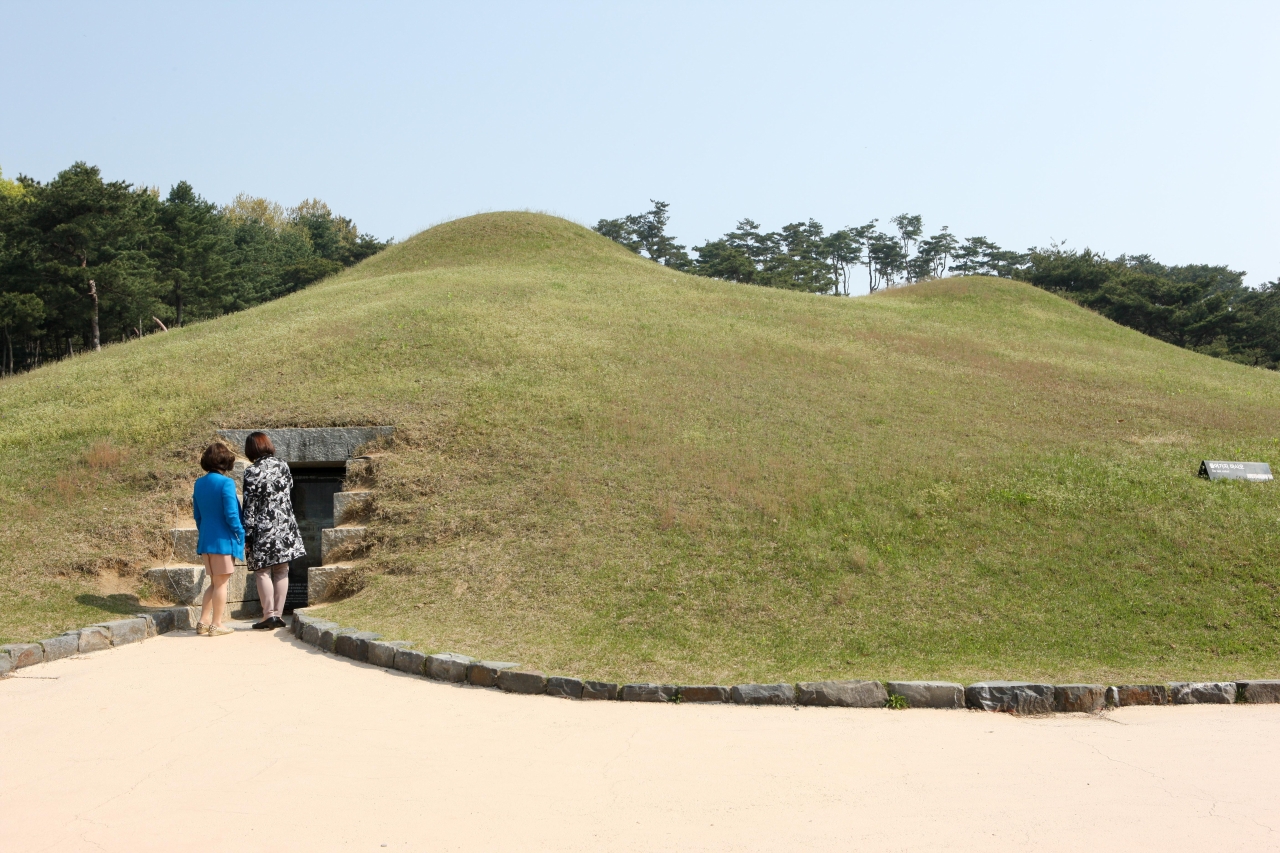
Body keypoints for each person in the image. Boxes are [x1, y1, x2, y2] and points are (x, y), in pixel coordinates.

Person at [241, 431, 306, 630]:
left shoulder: (252, 471)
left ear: (251, 449)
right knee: (282, 570)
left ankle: (267, 615)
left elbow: (250, 504)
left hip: (263, 527)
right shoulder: (284, 465)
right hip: (285, 525)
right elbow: (288, 491)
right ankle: (278, 615)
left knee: (262, 571)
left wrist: (248, 533)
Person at [193, 443, 244, 637]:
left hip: (206, 539)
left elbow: (197, 515)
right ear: (226, 462)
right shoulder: (226, 483)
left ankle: (203, 621)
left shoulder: (199, 483)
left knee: (214, 583)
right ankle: (216, 624)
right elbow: (231, 514)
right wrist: (240, 532)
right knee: (221, 583)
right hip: (223, 540)